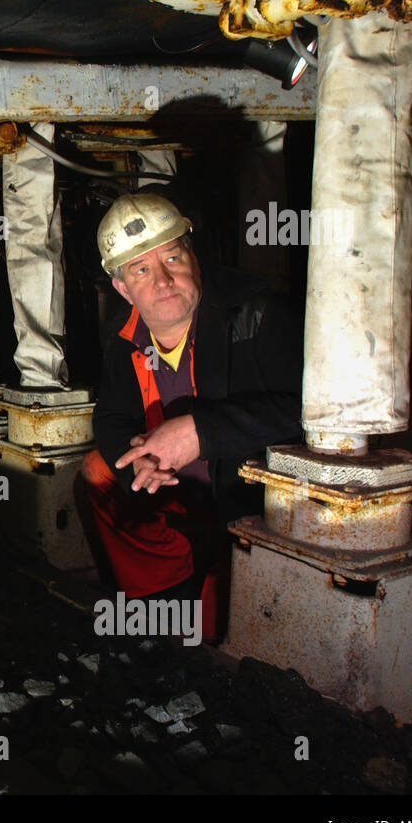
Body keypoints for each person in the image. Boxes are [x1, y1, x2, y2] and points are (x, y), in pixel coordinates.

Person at [75, 193, 304, 640]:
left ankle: (215, 595)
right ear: (123, 288)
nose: (162, 281)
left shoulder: (259, 315)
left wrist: (203, 432)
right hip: (175, 489)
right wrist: (134, 459)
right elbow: (112, 416)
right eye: (141, 269)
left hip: (250, 500)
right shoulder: (124, 339)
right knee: (101, 470)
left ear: (193, 257)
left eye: (172, 258)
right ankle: (163, 590)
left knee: (222, 636)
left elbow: (310, 413)